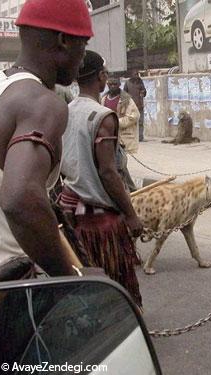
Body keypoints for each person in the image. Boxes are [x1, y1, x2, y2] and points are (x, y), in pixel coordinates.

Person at [0, 0, 93, 282]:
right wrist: (70, 278)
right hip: (6, 289)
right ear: (63, 41)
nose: (83, 58)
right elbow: (19, 198)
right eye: (83, 45)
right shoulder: (42, 103)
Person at [59, 51, 144, 307]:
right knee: (112, 281)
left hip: (70, 209)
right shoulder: (102, 116)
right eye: (106, 73)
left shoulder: (66, 110)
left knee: (84, 280)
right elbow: (108, 172)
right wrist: (130, 214)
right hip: (99, 220)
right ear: (101, 77)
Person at [102, 74, 139, 192]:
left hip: (121, 137)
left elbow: (134, 116)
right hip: (107, 137)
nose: (112, 86)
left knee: (120, 164)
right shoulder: (103, 99)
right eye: (110, 84)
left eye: (115, 84)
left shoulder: (126, 99)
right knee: (115, 166)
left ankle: (131, 190)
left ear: (119, 85)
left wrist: (116, 122)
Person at [124, 70, 147, 142]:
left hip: (140, 105)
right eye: (135, 74)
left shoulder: (140, 82)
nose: (136, 76)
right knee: (131, 122)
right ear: (131, 75)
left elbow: (144, 91)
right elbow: (124, 94)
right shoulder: (127, 83)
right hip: (131, 106)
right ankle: (132, 137)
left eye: (137, 74)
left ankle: (140, 137)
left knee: (140, 122)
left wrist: (143, 92)